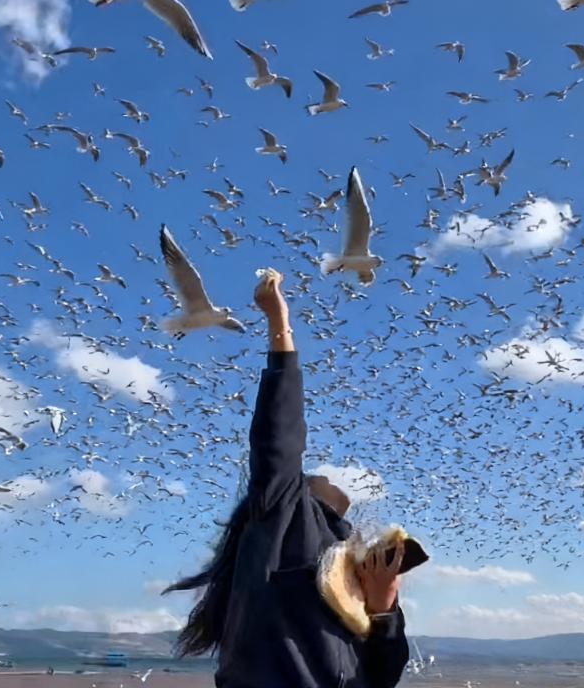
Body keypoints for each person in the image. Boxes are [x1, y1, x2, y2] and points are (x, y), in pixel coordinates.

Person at [166, 270, 411, 688]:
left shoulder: (354, 559)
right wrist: (279, 324)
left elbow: (382, 676)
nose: (330, 476)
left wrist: (384, 607)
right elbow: (279, 436)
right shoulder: (283, 515)